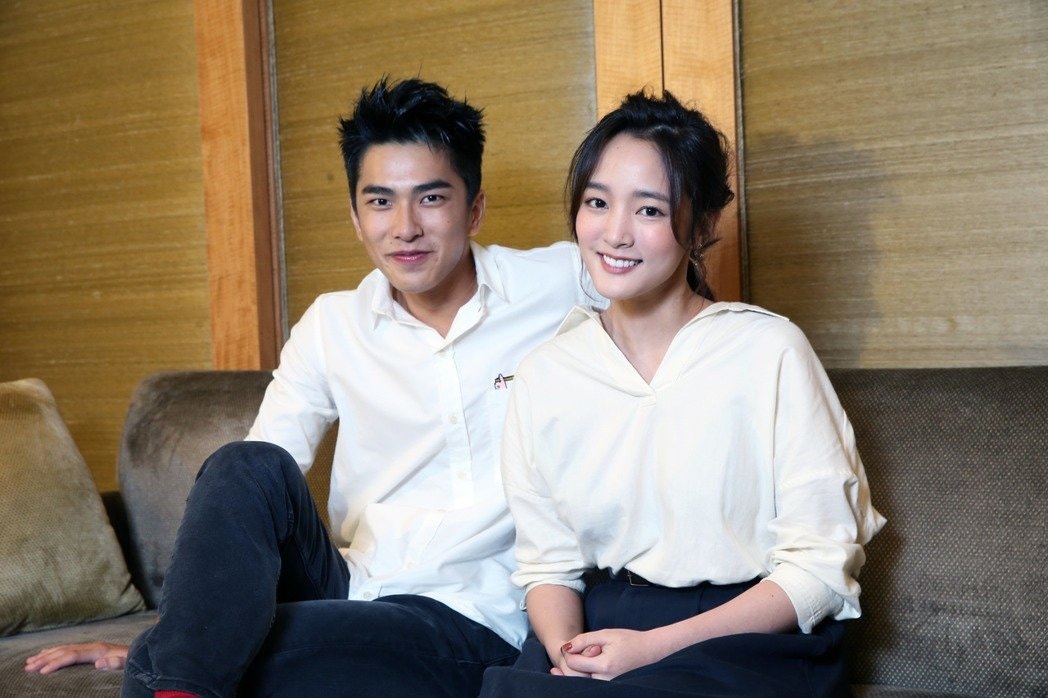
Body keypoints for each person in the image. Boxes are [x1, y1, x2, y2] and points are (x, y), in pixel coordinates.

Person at [26, 77, 597, 697]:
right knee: (245, 463)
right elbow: (255, 489)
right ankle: (182, 668)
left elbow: (658, 282)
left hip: (476, 614)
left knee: (215, 660)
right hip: (352, 588)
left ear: (475, 208)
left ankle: (177, 673)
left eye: (431, 198)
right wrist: (186, 630)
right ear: (355, 218)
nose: (404, 227)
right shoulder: (331, 324)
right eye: (380, 202)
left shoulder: (561, 281)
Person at [479, 90, 886, 697]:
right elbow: (547, 566)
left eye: (649, 210)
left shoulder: (769, 349)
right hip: (606, 620)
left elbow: (820, 568)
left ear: (702, 227)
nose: (615, 233)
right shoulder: (544, 374)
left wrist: (651, 650)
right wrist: (567, 656)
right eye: (597, 202)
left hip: (748, 632)